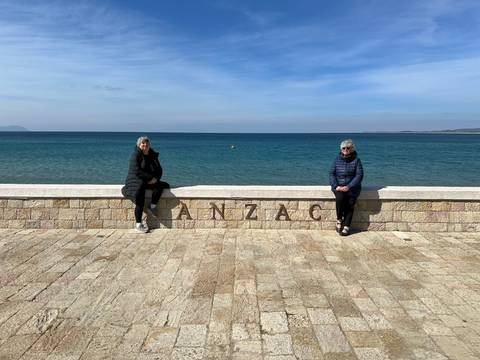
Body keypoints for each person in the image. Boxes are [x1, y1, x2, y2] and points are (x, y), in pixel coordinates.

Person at [122, 136, 170, 233]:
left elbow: (159, 169)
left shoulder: (152, 155)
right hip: (137, 181)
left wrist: (155, 179)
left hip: (149, 181)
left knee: (162, 186)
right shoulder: (136, 155)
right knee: (140, 201)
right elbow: (136, 170)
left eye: (146, 143)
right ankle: (138, 224)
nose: (145, 145)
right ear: (139, 145)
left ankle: (152, 206)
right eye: (142, 143)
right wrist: (150, 178)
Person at [329, 139, 363, 236]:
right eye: (343, 148)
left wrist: (349, 186)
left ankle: (347, 225)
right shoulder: (336, 160)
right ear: (341, 149)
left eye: (348, 148)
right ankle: (339, 219)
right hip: (339, 186)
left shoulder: (357, 160)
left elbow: (359, 175)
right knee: (340, 199)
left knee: (350, 202)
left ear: (352, 149)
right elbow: (331, 174)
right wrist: (336, 186)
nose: (345, 150)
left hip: (352, 188)